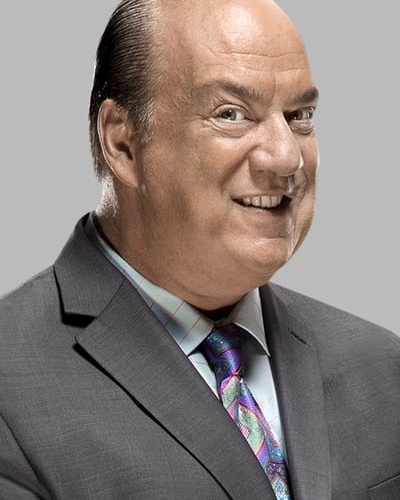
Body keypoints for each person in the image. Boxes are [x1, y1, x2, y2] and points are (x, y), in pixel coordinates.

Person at [0, 0, 399, 498]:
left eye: (299, 115)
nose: (286, 157)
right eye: (231, 114)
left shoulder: (382, 367)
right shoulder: (12, 387)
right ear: (123, 143)